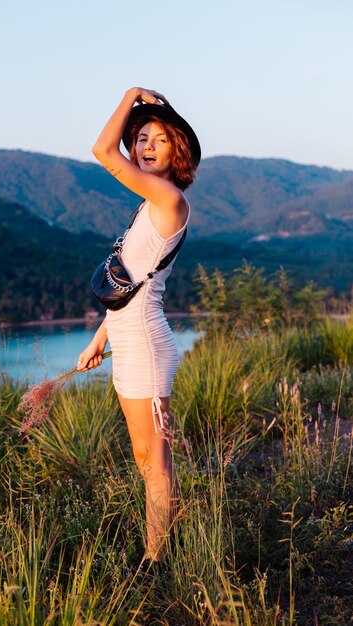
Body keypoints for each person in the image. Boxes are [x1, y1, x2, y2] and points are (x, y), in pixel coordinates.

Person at [77, 87, 200, 562]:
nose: (146, 146)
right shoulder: (147, 208)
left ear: (178, 151)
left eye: (159, 140)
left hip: (147, 346)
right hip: (129, 342)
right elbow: (132, 286)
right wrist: (98, 339)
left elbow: (101, 152)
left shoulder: (168, 199)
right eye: (141, 137)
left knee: (156, 463)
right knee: (146, 459)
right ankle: (164, 541)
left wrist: (131, 94)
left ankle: (156, 561)